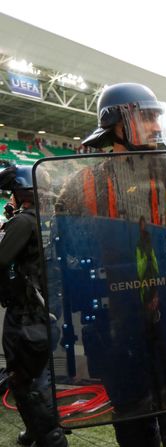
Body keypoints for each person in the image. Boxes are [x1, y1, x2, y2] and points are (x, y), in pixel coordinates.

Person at [54, 82, 166, 447]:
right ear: (116, 125)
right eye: (146, 117)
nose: (157, 126)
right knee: (130, 418)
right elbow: (69, 260)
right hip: (116, 323)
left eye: (157, 117)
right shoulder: (82, 184)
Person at [0, 164, 68, 447]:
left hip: (27, 316)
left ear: (21, 193)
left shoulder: (24, 222)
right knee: (40, 377)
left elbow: (2, 260)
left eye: (12, 194)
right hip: (46, 312)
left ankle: (50, 439)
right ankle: (38, 433)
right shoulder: (44, 219)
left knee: (27, 382)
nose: (10, 199)